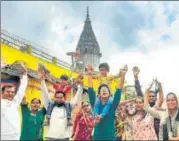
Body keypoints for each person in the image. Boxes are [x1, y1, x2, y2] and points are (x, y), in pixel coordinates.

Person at [39, 70, 83, 140]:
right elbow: (50, 83)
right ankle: (47, 120)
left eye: (65, 80)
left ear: (67, 81)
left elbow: (74, 85)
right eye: (62, 80)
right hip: (51, 136)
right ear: (59, 80)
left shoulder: (67, 88)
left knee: (68, 106)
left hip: (64, 136)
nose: (63, 81)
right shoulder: (57, 86)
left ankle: (69, 120)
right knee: (50, 104)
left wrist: (79, 81)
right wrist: (44, 78)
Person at [86, 65, 126, 140]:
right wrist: (90, 74)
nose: (104, 90)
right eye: (102, 90)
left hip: (110, 137)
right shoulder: (95, 104)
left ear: (109, 93)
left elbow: (119, 89)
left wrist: (123, 75)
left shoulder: (113, 105)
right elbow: (90, 89)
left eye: (106, 89)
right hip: (97, 137)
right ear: (99, 93)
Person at [133, 66, 164, 139]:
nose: (151, 97)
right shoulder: (143, 106)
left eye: (153, 96)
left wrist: (160, 86)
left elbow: (161, 99)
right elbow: (139, 91)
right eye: (149, 96)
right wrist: (136, 77)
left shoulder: (154, 108)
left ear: (156, 97)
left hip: (154, 132)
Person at [1, 62, 28, 140]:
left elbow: (22, 89)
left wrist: (25, 74)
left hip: (15, 137)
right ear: (2, 92)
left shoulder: (15, 103)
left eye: (12, 92)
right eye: (8, 92)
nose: (10, 94)